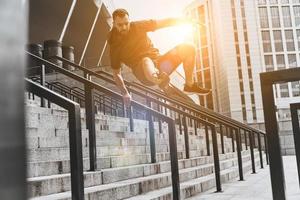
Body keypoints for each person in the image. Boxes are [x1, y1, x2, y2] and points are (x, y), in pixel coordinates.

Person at [108, 8, 211, 106]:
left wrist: (186, 21)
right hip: (144, 74)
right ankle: (160, 81)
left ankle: (189, 85)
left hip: (161, 65)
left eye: (126, 23)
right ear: (114, 24)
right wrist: (125, 92)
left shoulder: (138, 26)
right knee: (146, 60)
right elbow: (116, 73)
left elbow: (164, 23)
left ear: (129, 20)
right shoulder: (114, 43)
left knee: (188, 47)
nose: (124, 27)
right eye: (120, 25)